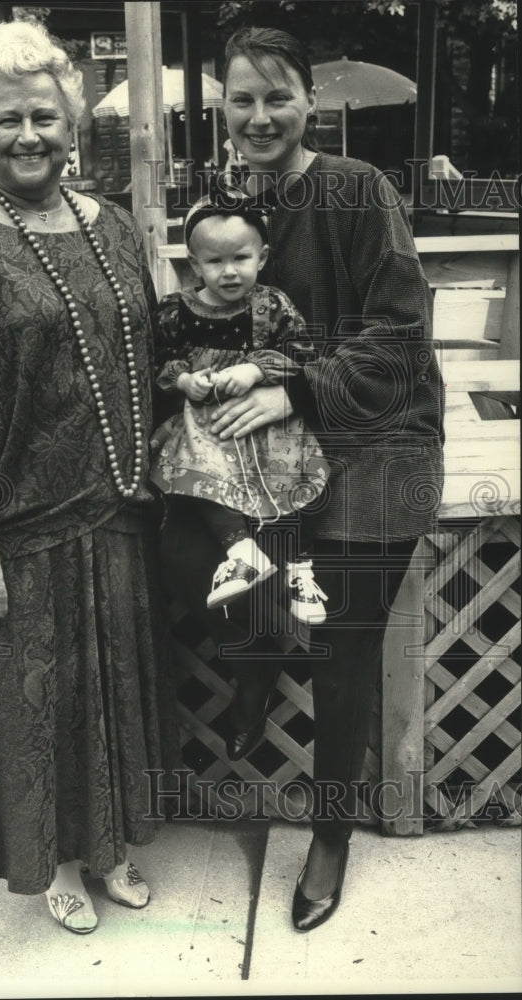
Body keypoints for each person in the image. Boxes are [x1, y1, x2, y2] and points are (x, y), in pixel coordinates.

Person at [0, 20, 179, 936]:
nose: (30, 136)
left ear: (73, 127)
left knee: (117, 689)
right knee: (37, 699)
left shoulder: (113, 226)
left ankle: (111, 848)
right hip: (18, 520)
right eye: (8, 119)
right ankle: (55, 858)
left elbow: (145, 348)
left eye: (45, 119)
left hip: (122, 508)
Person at [160, 26, 444, 932]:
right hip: (271, 443)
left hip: (377, 436)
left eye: (275, 97)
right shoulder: (235, 207)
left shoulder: (356, 190)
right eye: (239, 100)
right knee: (183, 545)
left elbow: (399, 341)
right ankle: (257, 654)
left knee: (346, 637)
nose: (257, 116)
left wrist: (292, 390)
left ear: (307, 104)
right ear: (221, 110)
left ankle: (330, 835)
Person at [150, 183, 330, 620]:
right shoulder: (176, 310)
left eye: (241, 258)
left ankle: (297, 568)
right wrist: (184, 379)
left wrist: (256, 369)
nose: (229, 271)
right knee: (195, 472)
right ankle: (242, 551)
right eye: (215, 261)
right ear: (194, 263)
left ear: (262, 258)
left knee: (295, 474)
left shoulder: (273, 305)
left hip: (265, 421)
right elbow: (155, 360)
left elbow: (304, 353)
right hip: (206, 425)